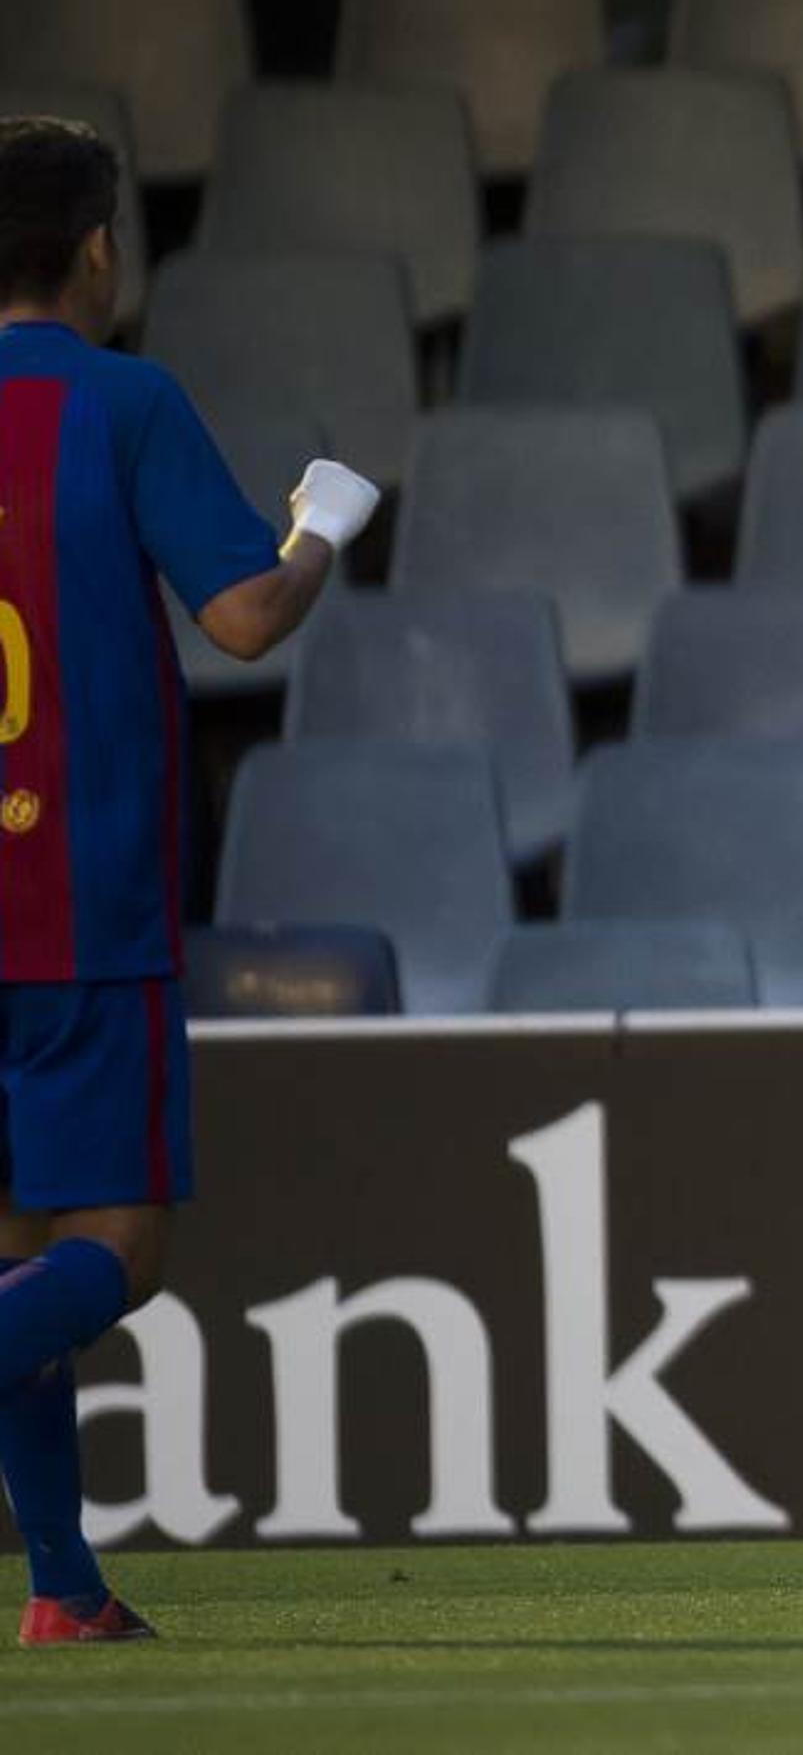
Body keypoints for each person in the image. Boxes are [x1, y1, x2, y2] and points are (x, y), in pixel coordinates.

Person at [0, 116, 374, 1641]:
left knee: (15, 1260)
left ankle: (64, 1595)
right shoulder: (123, 401)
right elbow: (240, 622)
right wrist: (323, 529)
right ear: (101, 249)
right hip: (80, 900)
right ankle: (67, 1591)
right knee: (113, 1255)